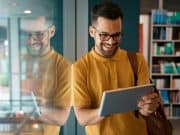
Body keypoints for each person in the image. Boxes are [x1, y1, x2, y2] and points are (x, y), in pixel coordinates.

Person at [73, 2, 161, 135]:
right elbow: (82, 118)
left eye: (116, 35)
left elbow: (143, 111)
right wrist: (109, 107)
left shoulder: (137, 60)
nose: (111, 41)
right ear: (92, 32)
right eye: (104, 35)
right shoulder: (79, 68)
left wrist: (149, 107)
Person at [20, 16, 71, 135]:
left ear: (51, 31)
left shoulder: (63, 67)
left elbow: (61, 118)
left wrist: (30, 110)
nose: (32, 41)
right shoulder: (18, 61)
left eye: (39, 34)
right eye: (28, 35)